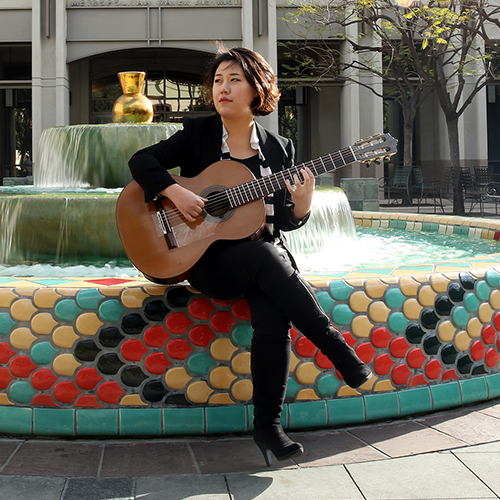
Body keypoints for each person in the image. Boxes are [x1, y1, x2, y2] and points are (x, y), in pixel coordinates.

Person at [128, 45, 372, 466]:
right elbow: (141, 161)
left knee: (273, 312)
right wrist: (175, 191)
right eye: (218, 80)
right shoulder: (197, 135)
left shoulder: (279, 149)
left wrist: (305, 202)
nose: (222, 88)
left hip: (262, 262)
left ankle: (269, 428)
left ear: (257, 90)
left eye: (234, 80)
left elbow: (284, 223)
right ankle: (334, 346)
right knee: (266, 258)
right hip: (205, 261)